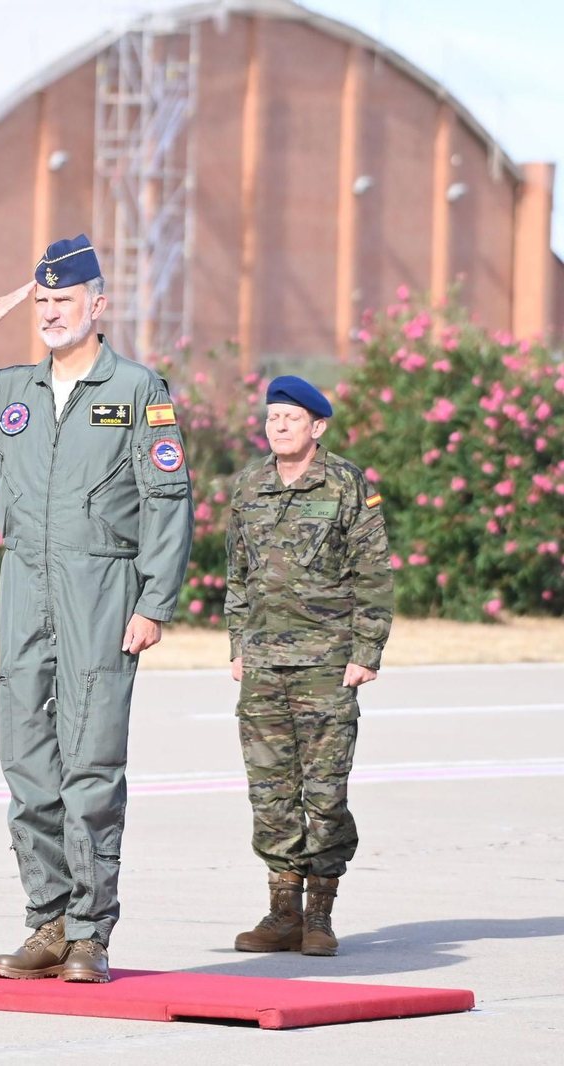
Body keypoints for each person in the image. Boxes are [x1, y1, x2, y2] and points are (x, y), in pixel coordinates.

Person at [0, 234, 194, 983]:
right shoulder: (11, 392)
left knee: (90, 767)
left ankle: (91, 933)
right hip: (24, 588)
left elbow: (167, 498)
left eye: (66, 300)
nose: (52, 313)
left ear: (99, 306)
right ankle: (48, 922)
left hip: (102, 590)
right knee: (28, 765)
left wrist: (155, 600)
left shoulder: (136, 391)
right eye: (43, 300)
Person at [225, 376, 394, 957]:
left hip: (326, 662)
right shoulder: (249, 484)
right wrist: (238, 645)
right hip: (265, 663)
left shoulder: (346, 483)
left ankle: (319, 915)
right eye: (272, 417)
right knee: (270, 788)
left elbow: (373, 571)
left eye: (290, 418)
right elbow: (238, 575)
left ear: (317, 427)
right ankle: (282, 913)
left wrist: (365, 652)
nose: (277, 426)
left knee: (323, 789)